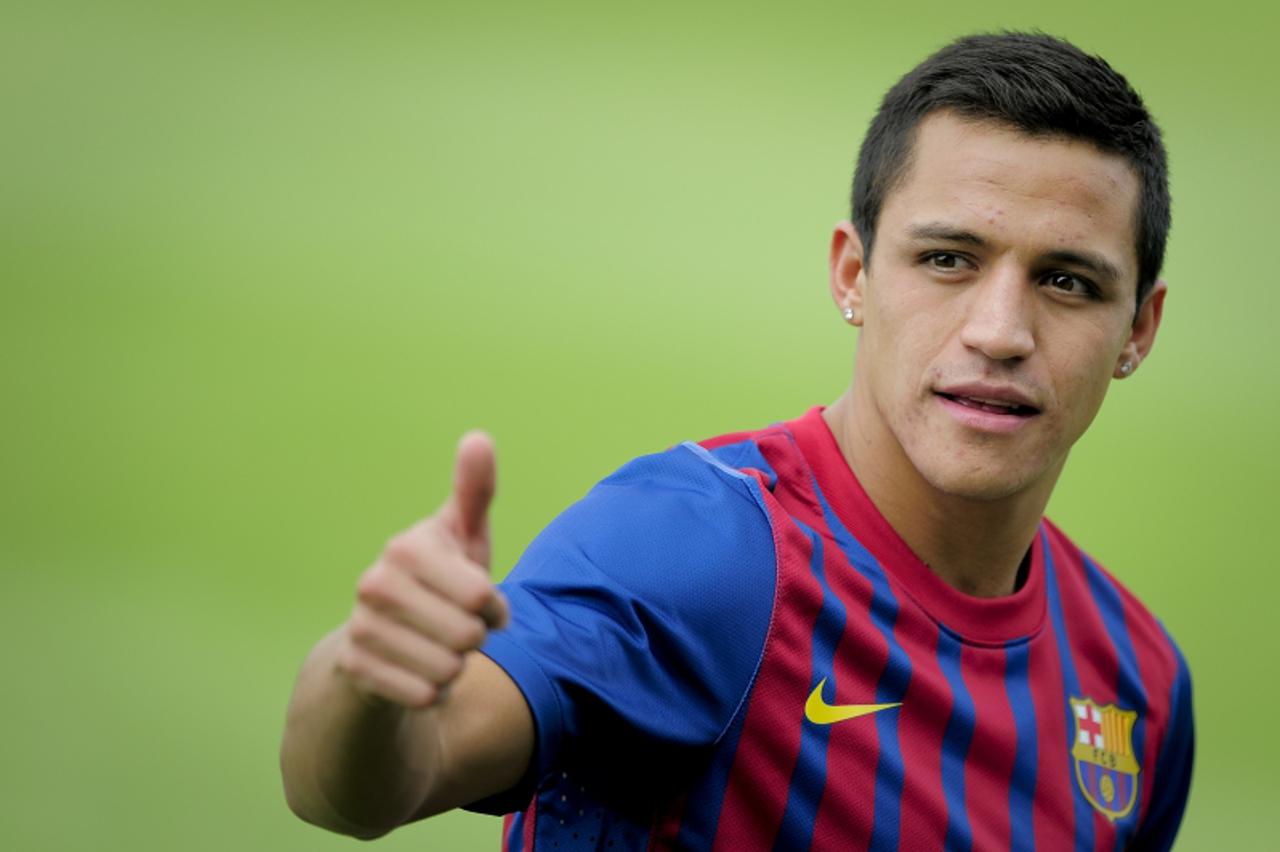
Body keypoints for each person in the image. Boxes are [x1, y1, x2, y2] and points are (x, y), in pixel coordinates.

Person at [280, 32, 1194, 850]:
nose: (1000, 330)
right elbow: (365, 788)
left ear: (1139, 331)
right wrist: (369, 687)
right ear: (854, 274)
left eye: (1068, 281)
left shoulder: (1137, 685)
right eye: (947, 260)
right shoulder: (703, 552)